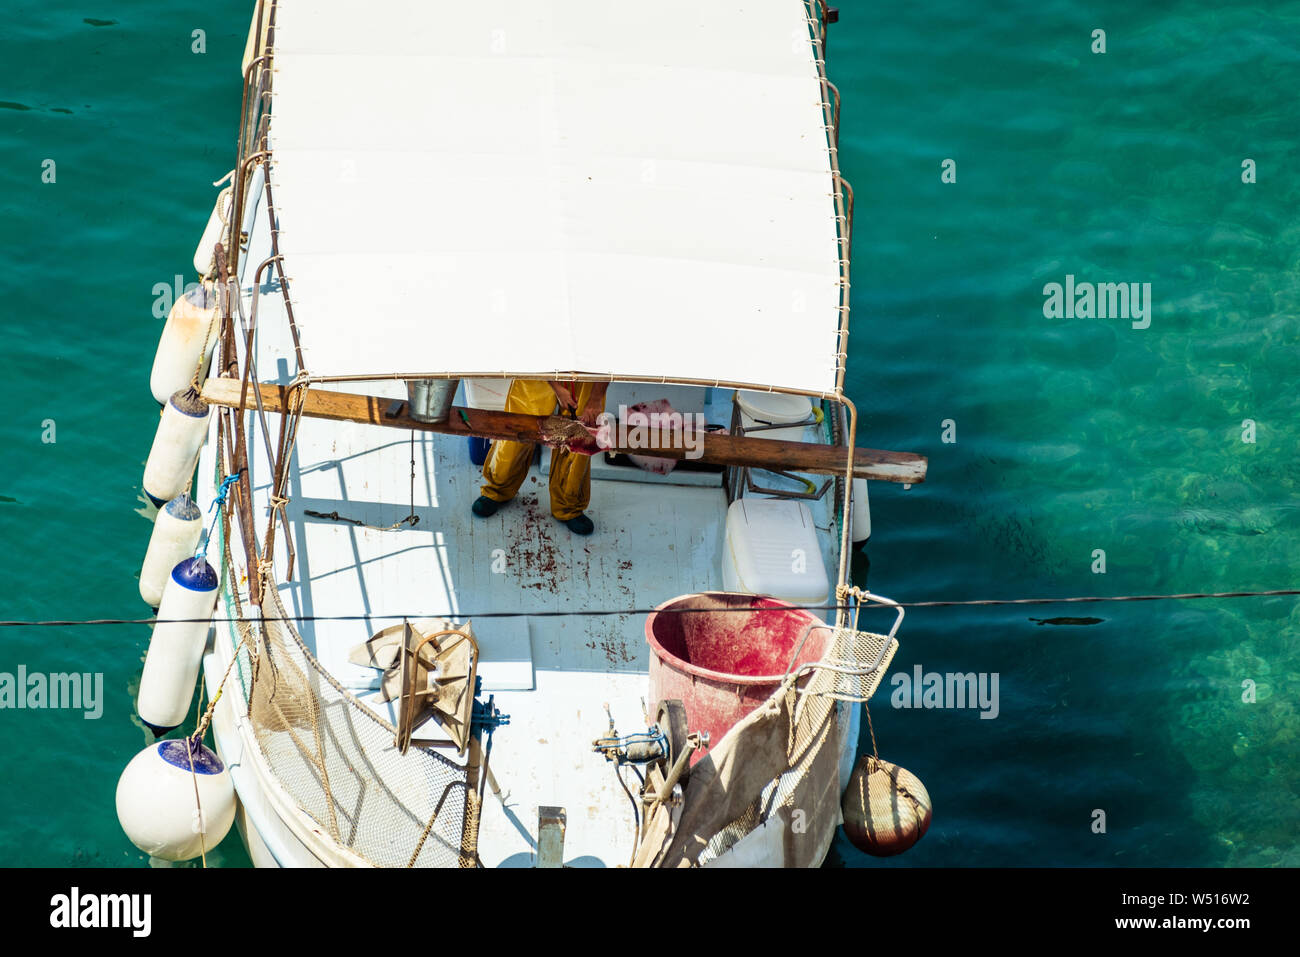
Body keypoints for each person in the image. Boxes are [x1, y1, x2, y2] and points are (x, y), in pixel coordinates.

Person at [471, 379, 609, 535]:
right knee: (518, 426)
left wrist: (596, 398)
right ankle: (496, 490)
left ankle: (569, 506)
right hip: (542, 367)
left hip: (587, 372)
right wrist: (556, 387)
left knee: (580, 436)